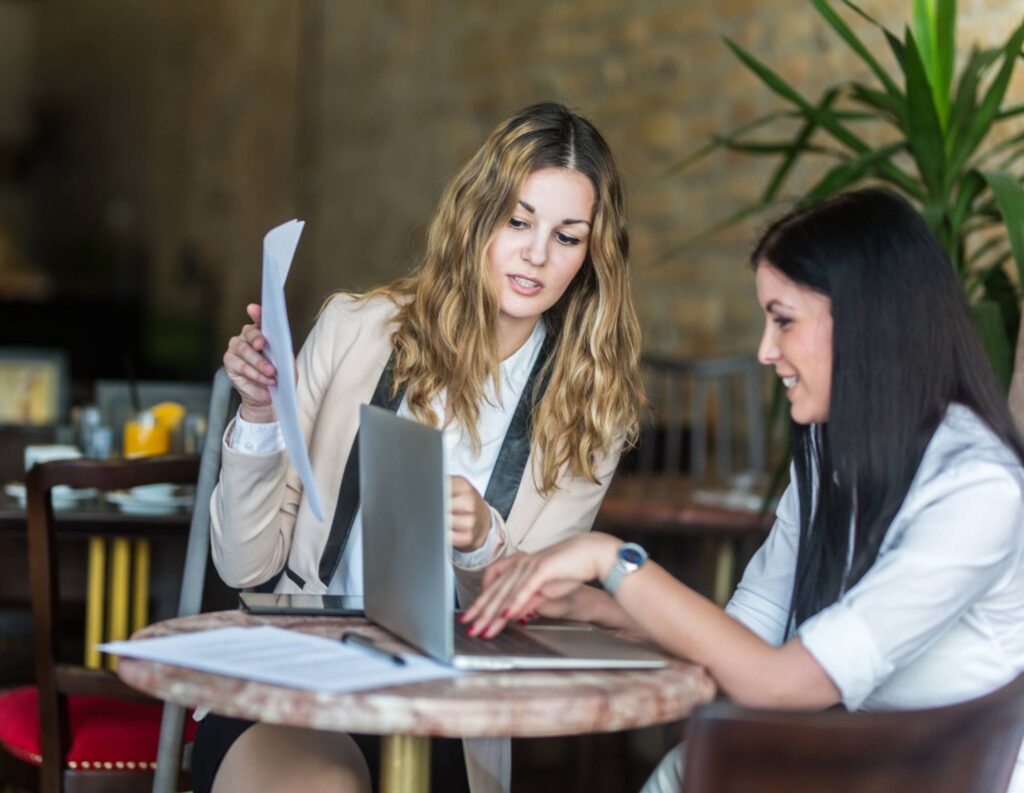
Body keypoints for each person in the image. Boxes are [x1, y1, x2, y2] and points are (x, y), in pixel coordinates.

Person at [463, 187, 1024, 792]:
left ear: (866, 324)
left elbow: (781, 682)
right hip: (865, 762)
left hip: (945, 776)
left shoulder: (977, 490)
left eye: (783, 320)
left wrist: (611, 559)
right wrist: (587, 607)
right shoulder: (835, 455)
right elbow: (747, 638)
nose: (765, 350)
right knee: (683, 773)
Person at [191, 102, 645, 793]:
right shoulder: (355, 330)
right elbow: (243, 563)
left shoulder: (590, 412)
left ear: (591, 254)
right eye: (517, 221)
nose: (536, 254)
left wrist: (483, 540)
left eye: (566, 236)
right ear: (476, 215)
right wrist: (258, 415)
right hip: (298, 677)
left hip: (450, 709)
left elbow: (536, 614)